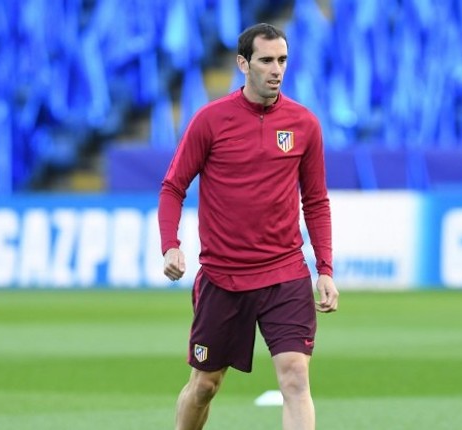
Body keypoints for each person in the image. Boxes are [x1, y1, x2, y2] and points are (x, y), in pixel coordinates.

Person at [158, 22, 339, 430]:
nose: (276, 69)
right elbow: (173, 187)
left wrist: (325, 269)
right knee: (205, 385)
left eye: (283, 60)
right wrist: (170, 245)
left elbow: (316, 201)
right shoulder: (210, 121)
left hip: (285, 274)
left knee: (295, 377)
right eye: (266, 61)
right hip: (224, 278)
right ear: (243, 64)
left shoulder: (304, 125)